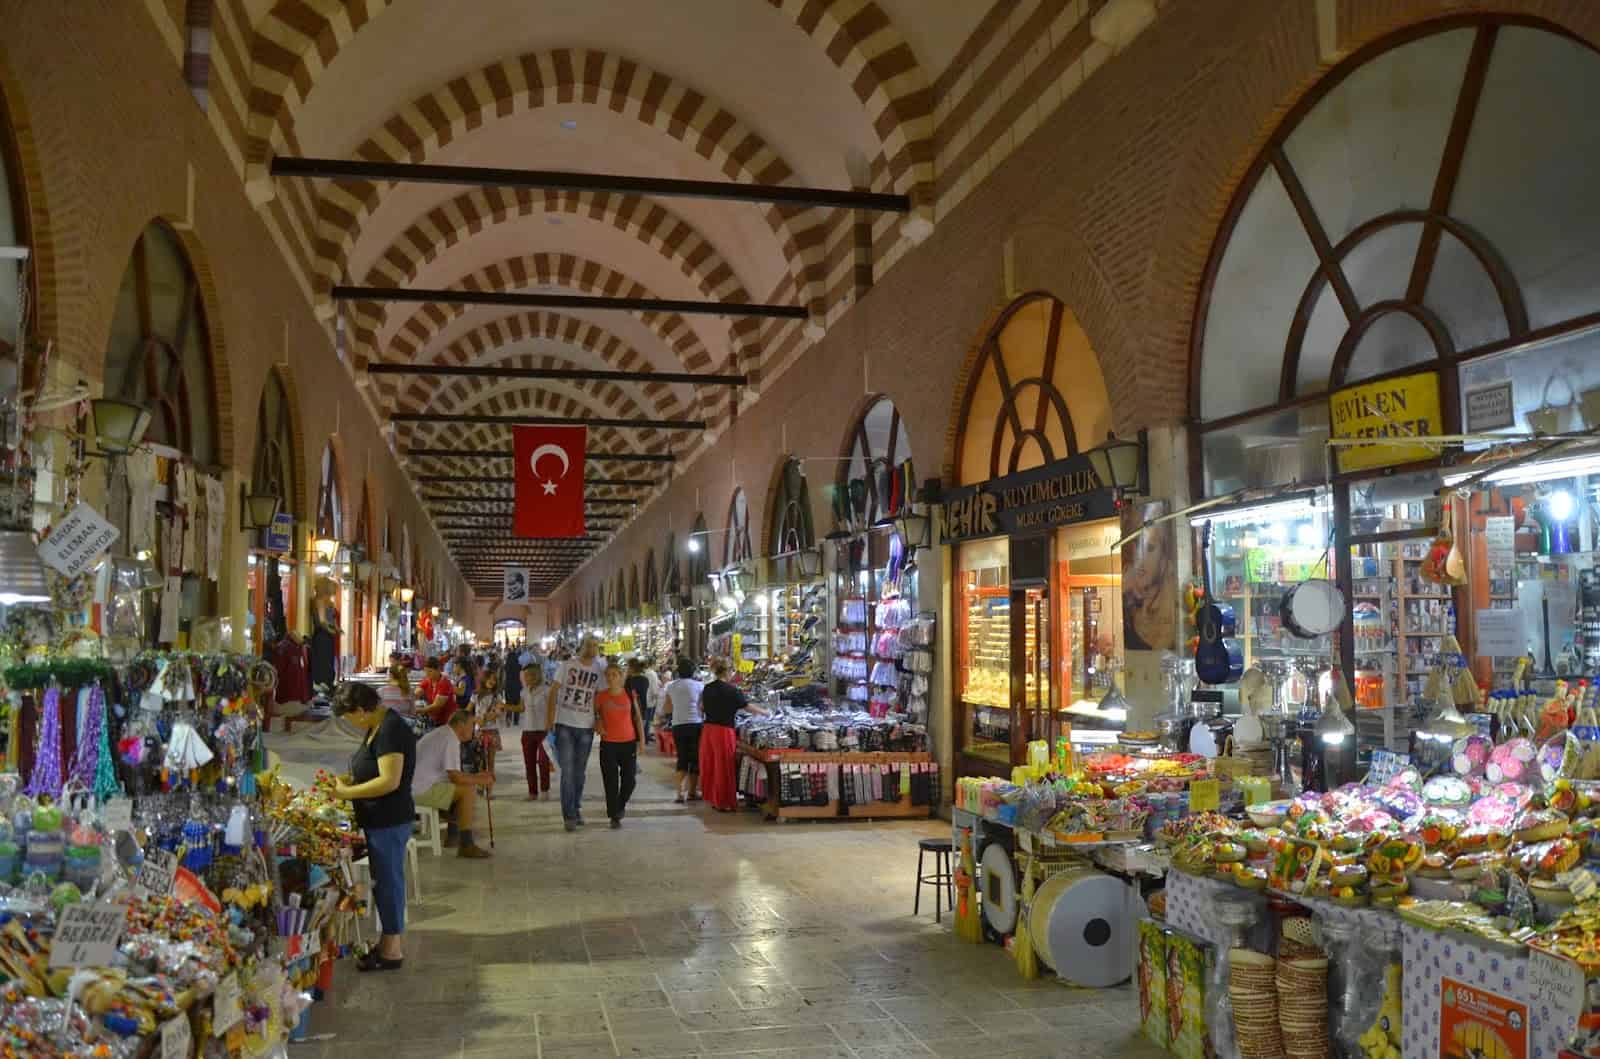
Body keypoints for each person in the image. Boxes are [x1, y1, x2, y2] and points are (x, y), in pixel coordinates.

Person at [330, 682, 416, 970]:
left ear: (361, 711)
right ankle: (387, 944)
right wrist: (351, 780)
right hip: (379, 819)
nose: (351, 724)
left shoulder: (391, 730)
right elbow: (373, 768)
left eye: (350, 718)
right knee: (384, 881)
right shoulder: (378, 726)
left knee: (389, 883)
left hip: (389, 819)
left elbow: (389, 780)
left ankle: (392, 951)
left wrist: (347, 793)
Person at [411, 709, 494, 858]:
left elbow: (453, 774)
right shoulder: (451, 739)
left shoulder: (443, 733)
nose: (473, 729)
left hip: (416, 786)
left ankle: (454, 835)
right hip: (420, 790)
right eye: (471, 725)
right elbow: (456, 778)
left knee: (464, 787)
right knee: (468, 790)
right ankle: (466, 845)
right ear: (461, 724)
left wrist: (476, 776)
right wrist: (481, 779)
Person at [546, 634, 608, 831]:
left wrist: (599, 719)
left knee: (579, 772)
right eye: (589, 645)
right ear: (582, 646)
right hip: (564, 723)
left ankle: (576, 806)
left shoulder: (599, 670)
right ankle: (569, 815)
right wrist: (550, 718)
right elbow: (554, 691)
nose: (592, 648)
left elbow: (600, 697)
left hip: (586, 727)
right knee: (568, 771)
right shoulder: (566, 665)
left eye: (596, 646)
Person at [699, 659, 768, 812]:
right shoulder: (732, 690)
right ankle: (723, 802)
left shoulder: (707, 688)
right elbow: (747, 707)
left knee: (711, 764)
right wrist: (765, 712)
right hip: (723, 732)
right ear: (728, 672)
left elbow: (702, 708)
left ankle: (713, 798)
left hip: (708, 730)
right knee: (723, 766)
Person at [594, 661, 645, 828]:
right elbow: (593, 714)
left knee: (630, 780)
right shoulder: (601, 695)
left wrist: (642, 741)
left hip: (628, 743)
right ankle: (614, 815)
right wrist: (598, 722)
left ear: (621, 676)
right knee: (611, 781)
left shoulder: (629, 694)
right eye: (608, 675)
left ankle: (620, 805)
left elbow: (637, 717)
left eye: (614, 675)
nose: (610, 678)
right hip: (608, 744)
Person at [661, 657, 705, 803]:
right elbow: (702, 707)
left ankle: (680, 793)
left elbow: (667, 708)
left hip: (678, 725)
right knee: (694, 759)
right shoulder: (700, 686)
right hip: (696, 724)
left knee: (682, 758)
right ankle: (692, 792)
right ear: (693, 672)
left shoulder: (671, 686)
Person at [519, 666, 554, 799]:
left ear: (536, 675)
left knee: (543, 762)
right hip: (527, 730)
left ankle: (545, 790)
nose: (526, 679)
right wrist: (504, 707)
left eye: (529, 676)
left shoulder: (547, 690)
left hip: (543, 731)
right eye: (525, 676)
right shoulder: (524, 692)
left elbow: (552, 709)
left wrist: (551, 725)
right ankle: (532, 792)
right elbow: (521, 708)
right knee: (529, 762)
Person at [417, 657, 456, 726]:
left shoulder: (445, 683)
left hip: (446, 721)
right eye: (425, 671)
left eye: (430, 671)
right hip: (435, 719)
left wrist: (420, 710)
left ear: (438, 670)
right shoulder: (428, 680)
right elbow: (418, 692)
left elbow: (437, 705)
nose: (427, 674)